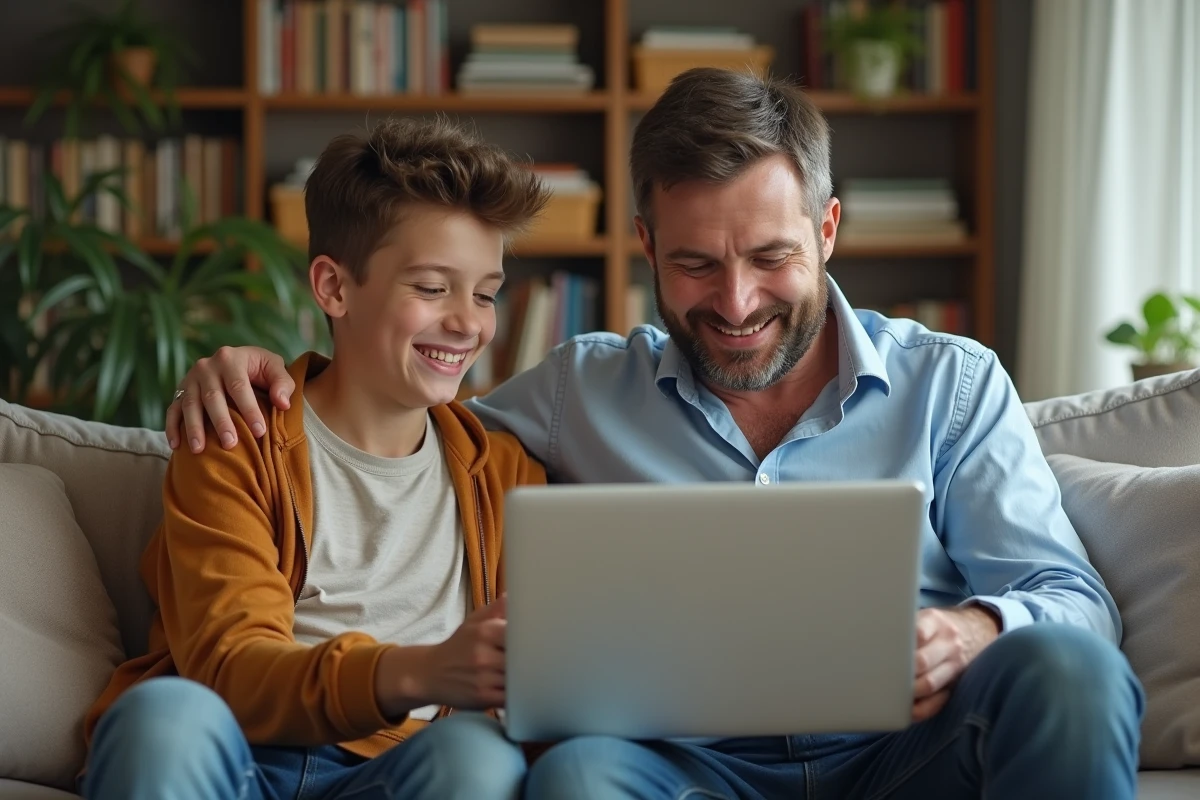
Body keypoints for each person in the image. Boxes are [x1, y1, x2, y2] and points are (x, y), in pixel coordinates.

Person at [164, 68, 1145, 800]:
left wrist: (977, 627)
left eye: (771, 258)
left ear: (830, 228)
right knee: (577, 775)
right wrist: (260, 371)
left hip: (909, 746)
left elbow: (1073, 600)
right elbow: (401, 413)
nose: (736, 301)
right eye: (695, 264)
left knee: (1071, 667)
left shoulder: (952, 384)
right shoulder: (580, 386)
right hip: (682, 764)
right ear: (644, 247)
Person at [81, 116, 552, 800]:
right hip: (238, 757)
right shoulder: (236, 438)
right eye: (431, 287)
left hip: (403, 771)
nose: (468, 322)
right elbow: (229, 667)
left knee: (476, 758)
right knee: (164, 717)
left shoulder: (509, 475)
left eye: (485, 293)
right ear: (334, 288)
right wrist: (417, 671)